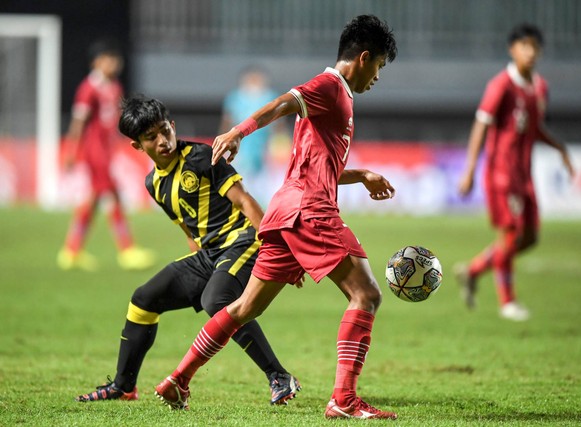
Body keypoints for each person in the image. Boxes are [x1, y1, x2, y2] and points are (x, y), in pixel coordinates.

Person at [154, 15, 399, 419]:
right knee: (366, 294)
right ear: (364, 57)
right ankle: (344, 399)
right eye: (380, 67)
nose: (377, 77)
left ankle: (178, 379)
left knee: (243, 307)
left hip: (285, 211)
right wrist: (239, 131)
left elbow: (319, 167)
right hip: (310, 211)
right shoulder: (329, 86)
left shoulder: (338, 99)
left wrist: (363, 175)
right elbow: (284, 102)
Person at [74, 95, 300, 407]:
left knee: (216, 300)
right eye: (151, 137)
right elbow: (186, 225)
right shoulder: (154, 183)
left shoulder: (202, 156)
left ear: (173, 126)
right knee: (143, 299)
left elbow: (245, 201)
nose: (162, 141)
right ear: (137, 146)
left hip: (243, 242)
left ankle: (278, 376)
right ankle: (123, 386)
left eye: (164, 130)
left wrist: (277, 249)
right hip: (209, 254)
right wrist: (196, 261)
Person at [455, 23, 575, 321]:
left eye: (535, 47)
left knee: (531, 238)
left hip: (525, 174)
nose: (530, 52)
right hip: (501, 174)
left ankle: (472, 270)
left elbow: (534, 128)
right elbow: (481, 124)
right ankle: (508, 302)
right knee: (511, 236)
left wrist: (559, 147)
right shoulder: (501, 85)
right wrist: (470, 169)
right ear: (513, 49)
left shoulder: (540, 87)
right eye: (525, 46)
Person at [57, 39, 155, 271]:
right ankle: (127, 250)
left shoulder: (114, 86)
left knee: (92, 201)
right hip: (94, 152)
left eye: (115, 59)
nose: (114, 63)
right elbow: (78, 122)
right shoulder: (88, 88)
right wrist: (71, 150)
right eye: (108, 58)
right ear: (96, 62)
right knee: (114, 196)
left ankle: (71, 251)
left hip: (107, 151)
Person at [219, 66, 282, 206]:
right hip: (241, 146)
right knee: (241, 179)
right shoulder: (235, 97)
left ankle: (264, 210)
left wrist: (279, 142)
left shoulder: (269, 96)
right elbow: (227, 121)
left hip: (263, 146)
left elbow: (278, 123)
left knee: (263, 183)